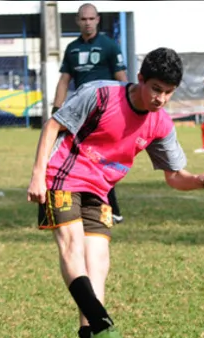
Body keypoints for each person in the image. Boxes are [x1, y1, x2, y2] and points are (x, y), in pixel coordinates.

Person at [27, 48, 204, 338]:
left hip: (100, 190)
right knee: (72, 247)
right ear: (141, 79)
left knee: (98, 263)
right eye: (156, 89)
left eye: (169, 92)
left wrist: (199, 181)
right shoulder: (101, 94)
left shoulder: (160, 122)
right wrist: (36, 175)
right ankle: (102, 324)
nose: (161, 98)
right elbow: (52, 127)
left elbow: (174, 177)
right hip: (62, 176)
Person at [53, 3, 130, 224]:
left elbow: (122, 79)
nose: (87, 22)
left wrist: (126, 110)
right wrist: (56, 112)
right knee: (84, 159)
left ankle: (109, 208)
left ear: (98, 20)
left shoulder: (109, 46)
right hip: (79, 112)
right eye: (83, 19)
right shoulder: (72, 48)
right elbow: (64, 81)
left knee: (98, 160)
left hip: (105, 112)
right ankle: (103, 208)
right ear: (77, 21)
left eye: (91, 18)